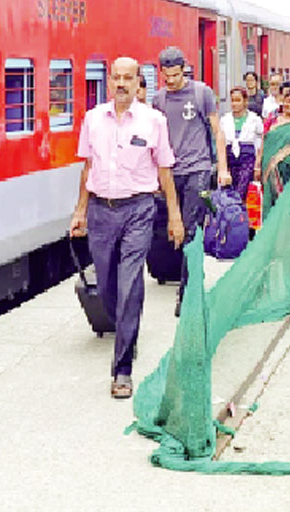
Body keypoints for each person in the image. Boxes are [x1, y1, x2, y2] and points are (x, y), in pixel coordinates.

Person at [69, 57, 185, 399]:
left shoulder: (154, 121)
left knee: (131, 282)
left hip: (138, 208)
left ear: (138, 82)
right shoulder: (92, 119)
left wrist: (175, 217)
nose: (121, 83)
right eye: (116, 77)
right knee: (106, 287)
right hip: (101, 212)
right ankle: (126, 333)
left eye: (128, 78)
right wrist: (80, 211)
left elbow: (165, 172)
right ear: (110, 81)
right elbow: (87, 168)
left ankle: (122, 370)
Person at [149, 46, 229, 317]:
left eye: (174, 75)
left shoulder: (201, 93)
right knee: (174, 228)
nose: (170, 80)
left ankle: (187, 294)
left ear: (184, 69)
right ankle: (184, 277)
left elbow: (217, 131)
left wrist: (222, 168)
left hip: (198, 169)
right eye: (165, 76)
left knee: (191, 231)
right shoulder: (158, 99)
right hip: (171, 171)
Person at [220, 87, 263, 202]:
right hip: (230, 155)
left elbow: (260, 142)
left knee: (242, 189)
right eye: (232, 100)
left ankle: (239, 211)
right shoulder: (225, 119)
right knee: (229, 189)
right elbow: (221, 142)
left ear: (245, 101)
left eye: (238, 100)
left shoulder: (254, 119)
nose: (234, 104)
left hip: (247, 156)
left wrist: (257, 165)